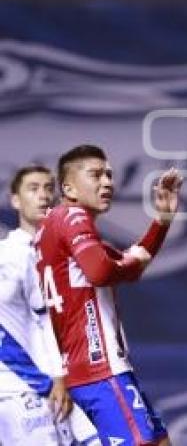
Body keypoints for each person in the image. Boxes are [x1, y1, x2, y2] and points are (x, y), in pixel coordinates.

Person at [35, 145, 181, 446]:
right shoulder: (73, 216)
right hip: (99, 368)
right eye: (96, 175)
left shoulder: (55, 225)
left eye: (110, 175)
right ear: (69, 188)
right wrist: (127, 264)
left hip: (94, 370)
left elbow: (129, 262)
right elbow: (101, 272)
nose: (108, 183)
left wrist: (162, 220)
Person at [0, 165, 99, 445]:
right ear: (15, 200)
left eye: (48, 189)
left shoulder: (70, 253)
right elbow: (43, 325)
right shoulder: (11, 256)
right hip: (31, 387)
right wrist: (56, 377)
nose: (43, 196)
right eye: (33, 189)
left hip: (80, 379)